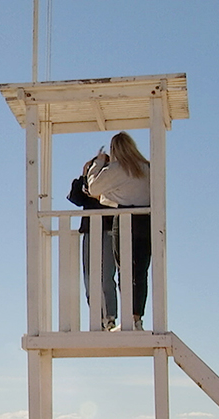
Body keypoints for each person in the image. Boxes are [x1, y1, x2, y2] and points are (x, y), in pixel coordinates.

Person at [85, 131, 152, 331]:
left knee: (124, 270)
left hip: (124, 220)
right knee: (140, 273)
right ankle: (136, 318)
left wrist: (97, 163)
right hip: (147, 221)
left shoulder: (117, 168)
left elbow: (93, 188)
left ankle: (127, 320)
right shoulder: (147, 167)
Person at [68, 158, 117, 327]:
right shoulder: (87, 184)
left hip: (109, 230)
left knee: (105, 277)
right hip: (90, 232)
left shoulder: (112, 179)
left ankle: (109, 317)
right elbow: (76, 198)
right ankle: (98, 317)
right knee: (89, 278)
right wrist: (83, 175)